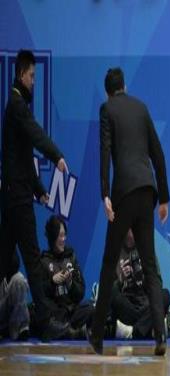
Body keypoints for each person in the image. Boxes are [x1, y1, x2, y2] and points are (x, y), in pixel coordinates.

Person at [88, 68, 170, 356]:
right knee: (150, 266)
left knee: (109, 262)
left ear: (108, 91)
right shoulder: (141, 107)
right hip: (147, 190)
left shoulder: (107, 109)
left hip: (123, 192)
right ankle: (161, 335)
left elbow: (105, 151)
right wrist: (165, 198)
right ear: (123, 86)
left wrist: (105, 194)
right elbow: (157, 152)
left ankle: (97, 336)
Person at [0, 49, 70, 341]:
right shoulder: (17, 105)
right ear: (21, 74)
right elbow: (36, 135)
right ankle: (44, 321)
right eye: (31, 76)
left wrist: (40, 190)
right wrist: (56, 155)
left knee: (3, 258)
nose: (33, 81)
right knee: (31, 257)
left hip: (14, 195)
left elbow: (22, 157)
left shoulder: (16, 104)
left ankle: (40, 319)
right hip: (17, 198)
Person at [39, 215, 93, 339]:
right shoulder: (43, 261)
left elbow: (81, 293)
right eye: (60, 236)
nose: (64, 239)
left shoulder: (71, 257)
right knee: (41, 313)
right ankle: (73, 331)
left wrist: (70, 283)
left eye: (65, 235)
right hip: (56, 312)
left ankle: (67, 331)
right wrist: (53, 282)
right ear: (52, 237)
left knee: (90, 307)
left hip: (72, 312)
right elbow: (40, 294)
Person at [110, 229, 170, 339]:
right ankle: (149, 327)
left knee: (165, 295)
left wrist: (144, 276)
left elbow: (158, 284)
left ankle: (133, 331)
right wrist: (121, 280)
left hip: (146, 304)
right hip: (127, 306)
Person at [0, 252, 30, 341]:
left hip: (12, 315)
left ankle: (19, 328)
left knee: (19, 279)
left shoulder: (7, 246)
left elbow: (15, 264)